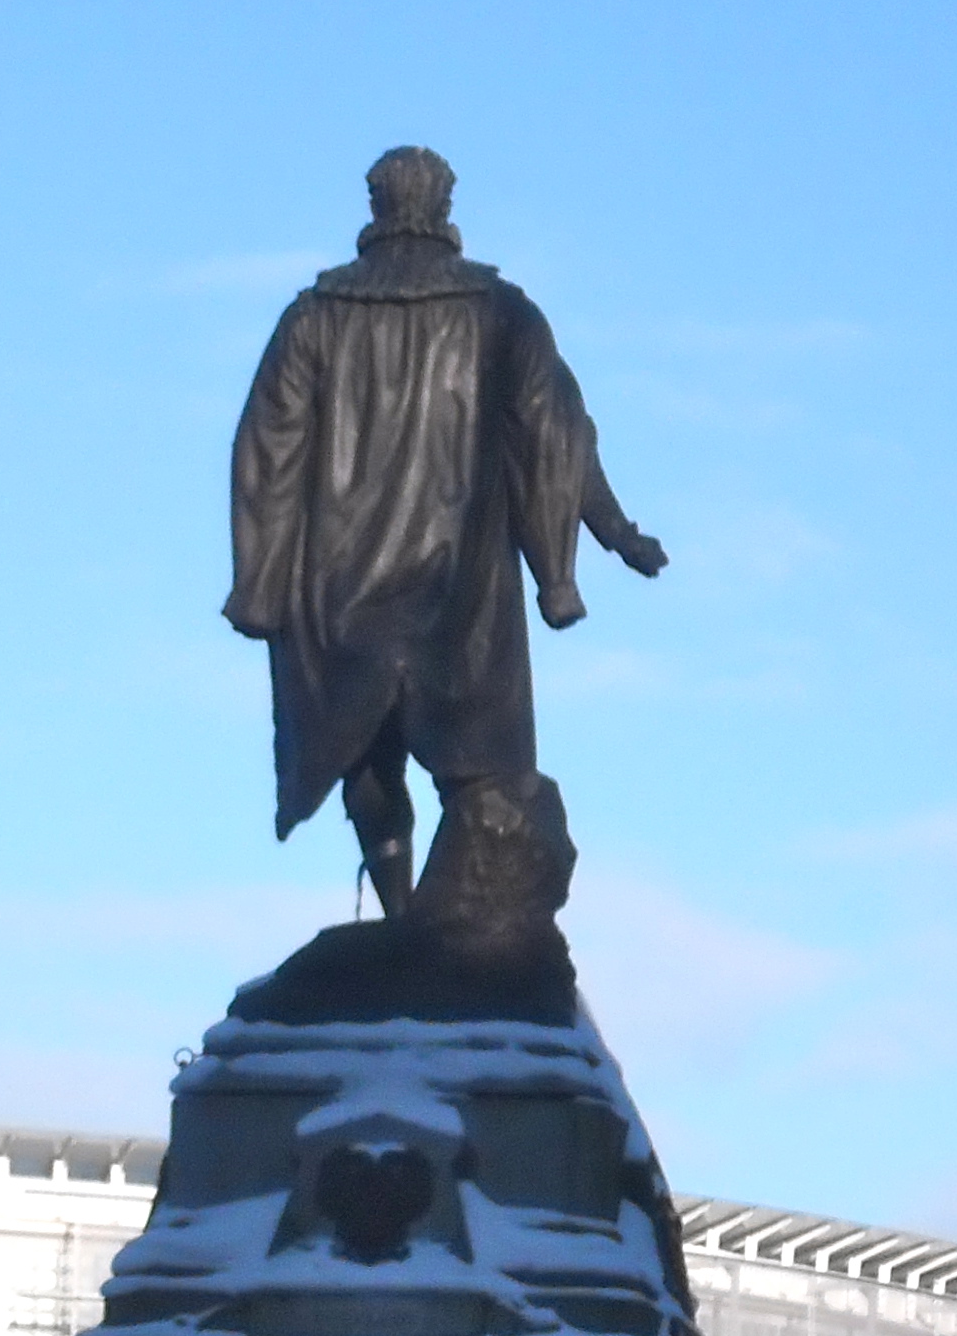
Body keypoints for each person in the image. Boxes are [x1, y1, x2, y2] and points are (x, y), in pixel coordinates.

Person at [224, 146, 664, 914]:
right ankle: (443, 933)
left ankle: (403, 914)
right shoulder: (501, 313)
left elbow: (268, 452)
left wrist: (259, 587)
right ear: (445, 208)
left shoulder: (313, 319)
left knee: (367, 760)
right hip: (462, 589)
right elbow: (555, 437)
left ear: (375, 207)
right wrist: (603, 541)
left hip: (341, 585)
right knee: (480, 774)